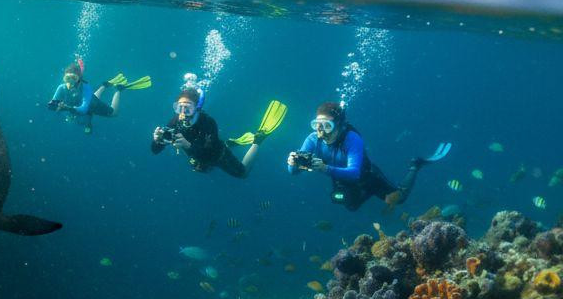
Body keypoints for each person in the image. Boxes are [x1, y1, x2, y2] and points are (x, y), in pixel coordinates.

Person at [287, 102, 451, 211]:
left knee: (398, 199)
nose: (320, 131)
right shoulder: (312, 139)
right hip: (341, 180)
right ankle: (368, 193)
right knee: (351, 207)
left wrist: (325, 168)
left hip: (367, 177)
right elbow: (293, 172)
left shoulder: (352, 139)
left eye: (327, 126)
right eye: (317, 125)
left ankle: (415, 165)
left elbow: (354, 172)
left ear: (339, 125)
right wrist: (293, 163)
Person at [151, 86, 287, 178]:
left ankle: (258, 140)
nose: (182, 113)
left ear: (197, 108)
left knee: (242, 174)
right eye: (179, 107)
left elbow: (208, 154)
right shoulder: (175, 122)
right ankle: (230, 143)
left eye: (188, 108)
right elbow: (155, 151)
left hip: (218, 155)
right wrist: (157, 141)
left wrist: (188, 146)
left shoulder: (208, 123)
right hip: (200, 158)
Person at [47, 58, 150, 134]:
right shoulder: (61, 87)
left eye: (73, 78)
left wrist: (67, 108)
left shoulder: (85, 87)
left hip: (91, 104)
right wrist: (54, 105)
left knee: (113, 113)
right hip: (84, 103)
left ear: (78, 78)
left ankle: (118, 90)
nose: (70, 82)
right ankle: (104, 86)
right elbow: (53, 103)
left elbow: (84, 109)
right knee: (89, 106)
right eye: (67, 78)